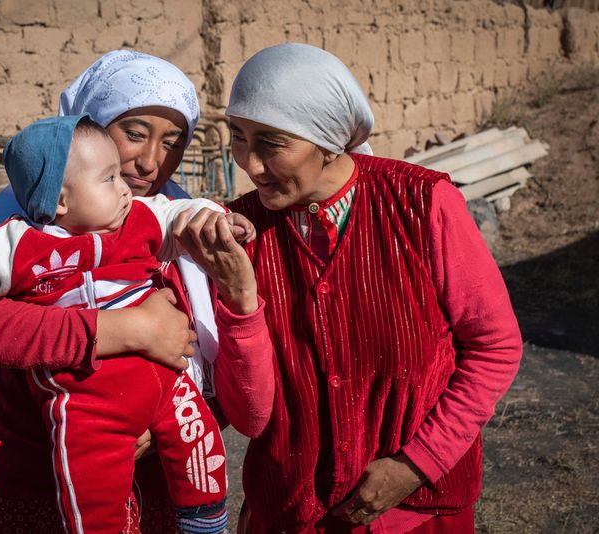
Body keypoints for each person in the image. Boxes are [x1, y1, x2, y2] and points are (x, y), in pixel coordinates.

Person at [0, 50, 269, 533]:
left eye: (173, 141)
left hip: (163, 485)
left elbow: (229, 365)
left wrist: (166, 415)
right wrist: (121, 329)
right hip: (36, 478)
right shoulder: (27, 219)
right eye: (134, 133)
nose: (150, 161)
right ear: (89, 127)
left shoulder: (187, 220)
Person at [173, 43, 523, 534]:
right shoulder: (240, 233)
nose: (249, 165)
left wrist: (415, 465)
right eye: (238, 137)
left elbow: (494, 346)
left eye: (271, 143)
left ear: (330, 140)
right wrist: (240, 299)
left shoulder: (422, 206)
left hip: (418, 513)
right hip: (291, 513)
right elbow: (249, 414)